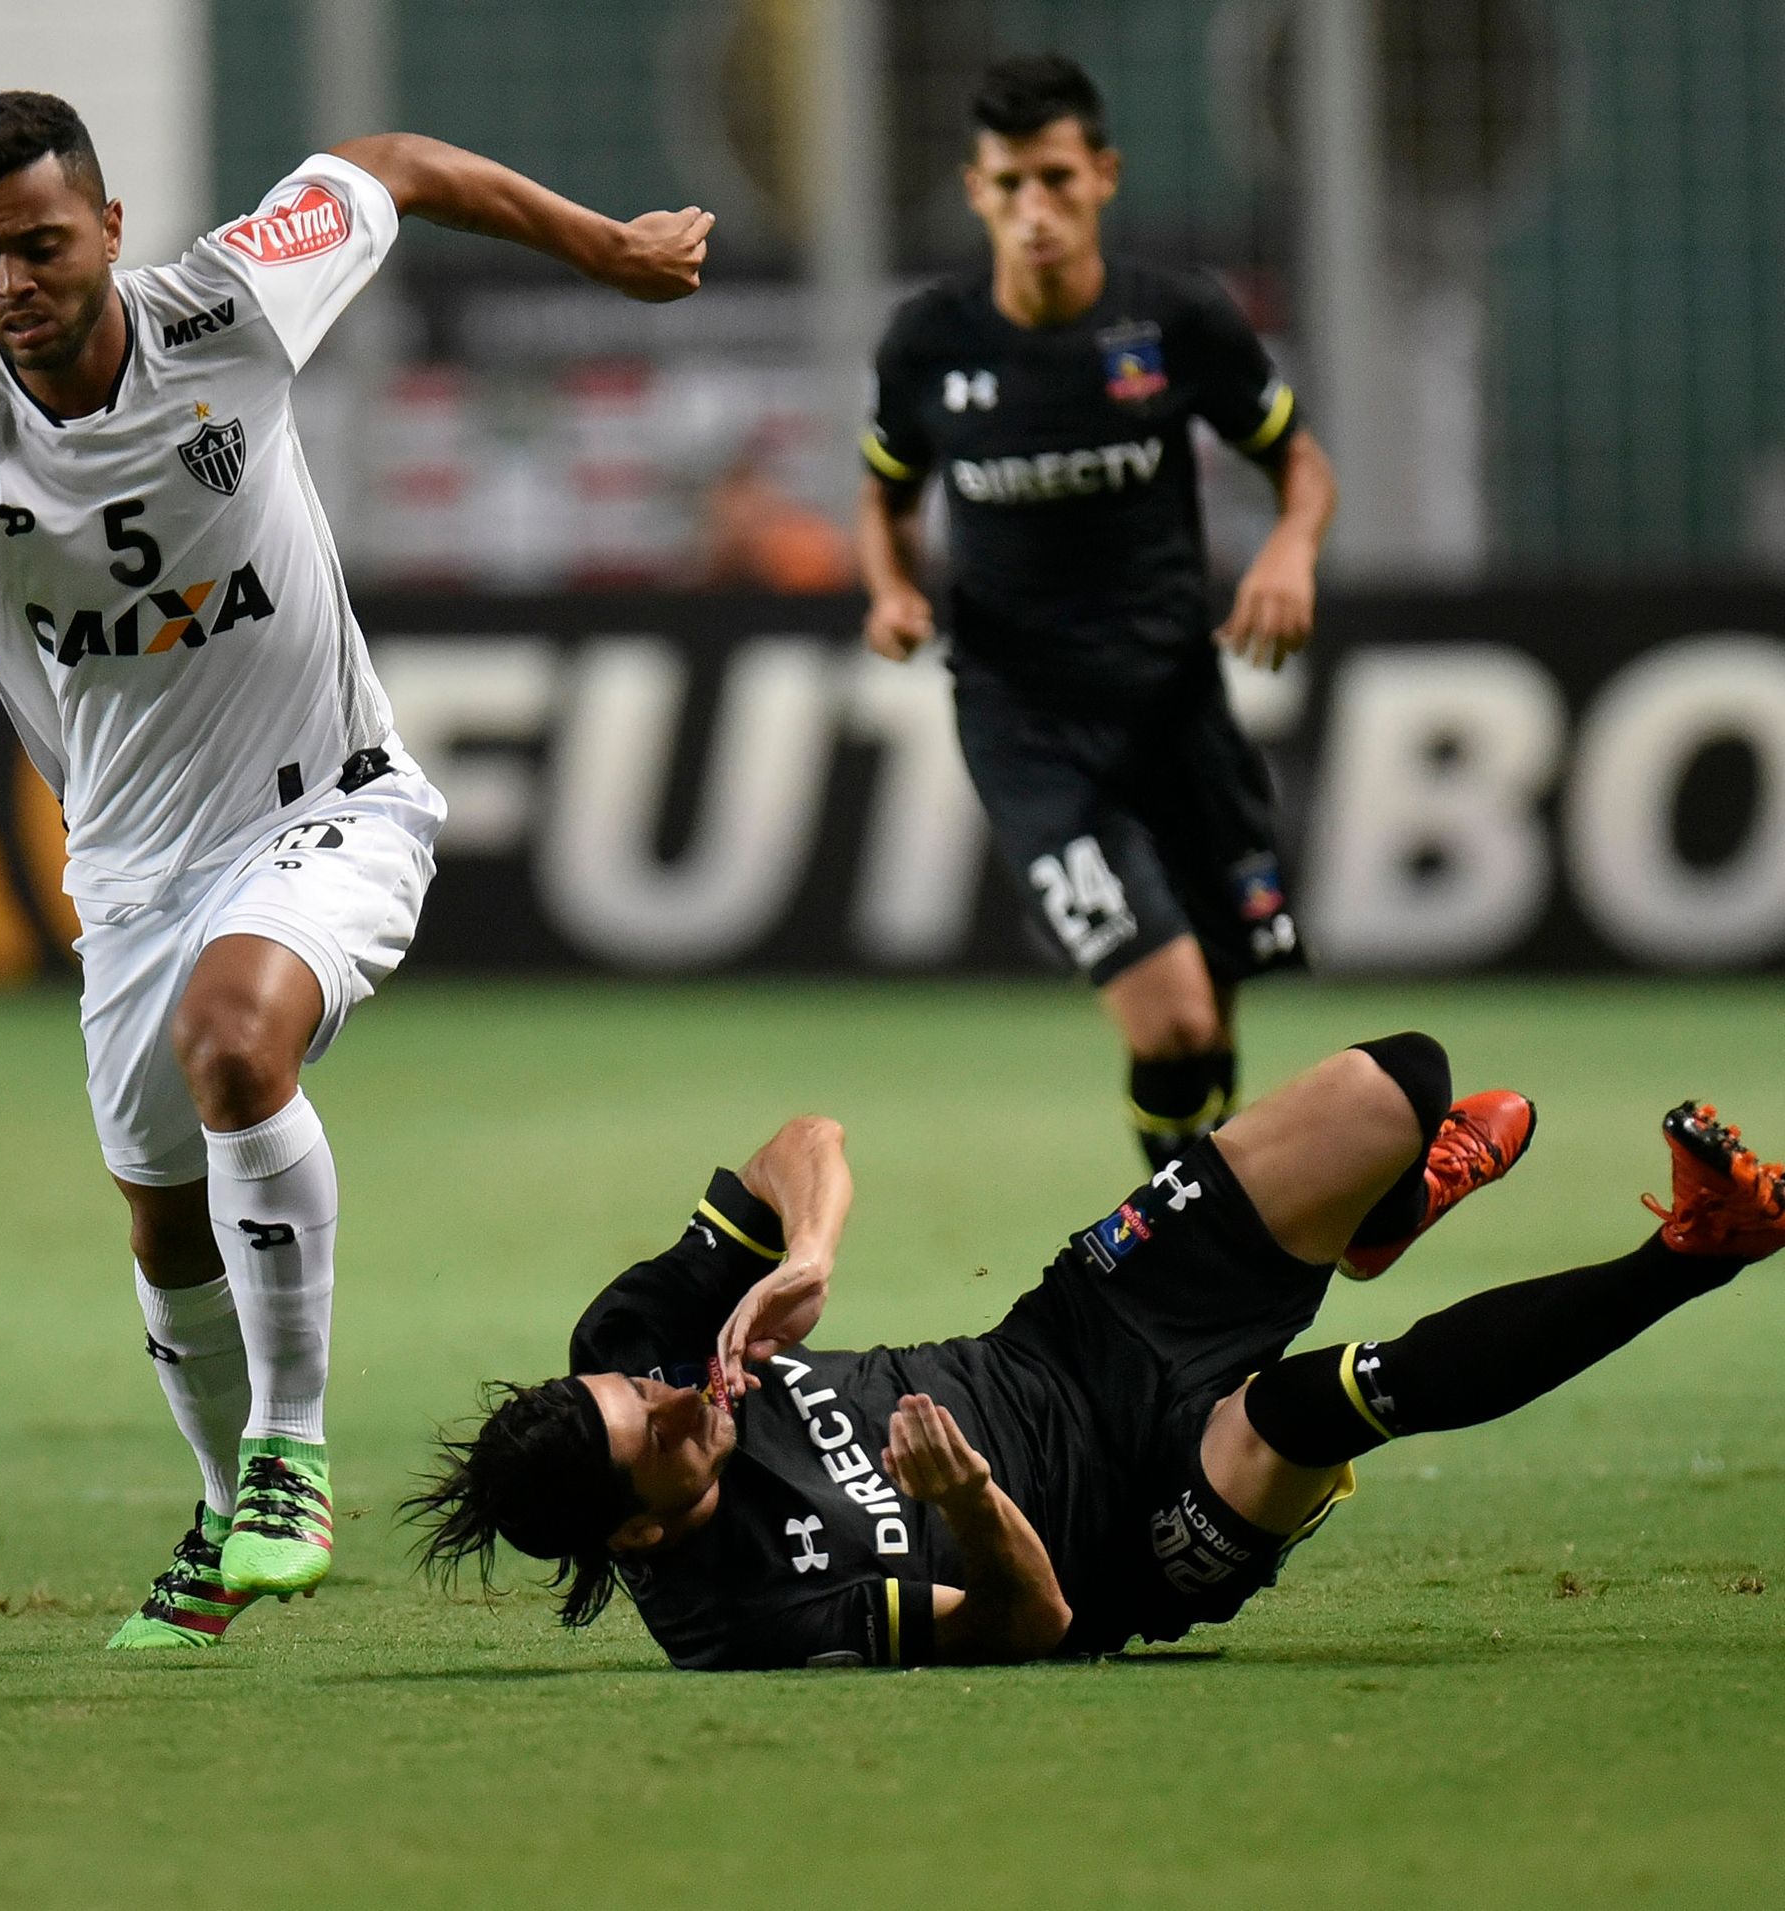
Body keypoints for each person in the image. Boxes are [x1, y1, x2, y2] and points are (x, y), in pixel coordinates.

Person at [0, 91, 711, 1645]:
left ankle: (292, 1450)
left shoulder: (227, 302)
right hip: (128, 875)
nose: (10, 283)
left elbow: (397, 164)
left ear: (109, 226)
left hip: (331, 803)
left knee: (236, 1045)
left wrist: (603, 246)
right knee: (165, 1223)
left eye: (40, 243)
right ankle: (223, 1509)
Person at [410, 1041, 1785, 1669]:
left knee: (1400, 1081)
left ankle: (1383, 1208)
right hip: (1129, 1529)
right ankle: (1699, 1247)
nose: (666, 1391)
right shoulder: (740, 1612)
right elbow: (1036, 1627)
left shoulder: (639, 1341)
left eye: (638, 1385)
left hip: (1078, 1328)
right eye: (655, 1424)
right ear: (642, 1531)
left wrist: (806, 1251)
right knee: (1330, 1400)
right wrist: (963, 1503)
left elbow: (807, 1138)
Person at [853, 53, 1339, 1174]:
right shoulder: (929, 344)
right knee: (1166, 1016)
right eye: (1010, 183)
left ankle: (1193, 1227)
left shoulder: (1174, 321)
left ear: (1103, 178)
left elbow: (1298, 462)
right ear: (975, 189)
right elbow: (884, 497)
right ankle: (1178, 1270)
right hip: (1027, 729)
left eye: (1057, 181)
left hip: (1176, 709)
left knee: (1207, 1029)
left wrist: (1289, 550)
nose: (1036, 211)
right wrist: (888, 586)